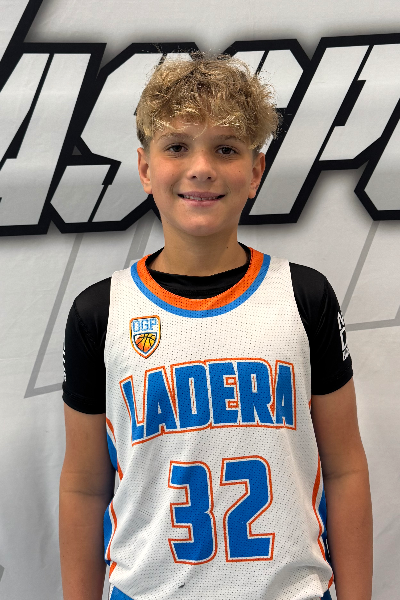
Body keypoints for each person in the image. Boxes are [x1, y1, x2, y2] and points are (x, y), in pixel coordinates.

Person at [59, 54, 372, 600]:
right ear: (145, 168)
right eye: (177, 146)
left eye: (226, 148)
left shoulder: (304, 298)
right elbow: (85, 487)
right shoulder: (100, 312)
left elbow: (345, 469)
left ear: (256, 171)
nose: (201, 167)